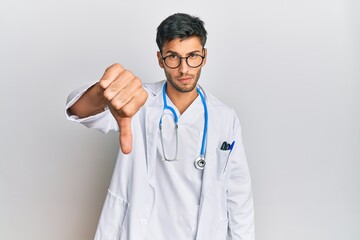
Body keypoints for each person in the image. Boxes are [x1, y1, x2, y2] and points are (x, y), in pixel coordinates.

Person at [66, 13, 255, 240]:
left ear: (204, 57)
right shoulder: (137, 101)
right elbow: (78, 110)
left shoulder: (225, 117)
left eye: (192, 56)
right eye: (173, 57)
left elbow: (239, 195)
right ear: (160, 59)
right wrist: (102, 91)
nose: (184, 69)